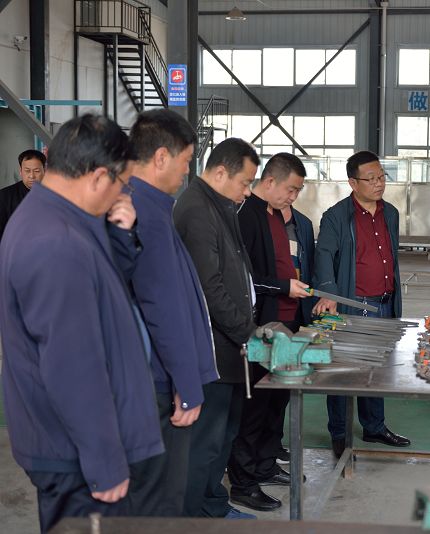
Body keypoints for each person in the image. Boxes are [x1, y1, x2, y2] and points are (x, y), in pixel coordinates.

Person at [0, 114, 163, 533]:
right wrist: (105, 463)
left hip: (71, 448)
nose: (124, 193)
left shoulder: (61, 218)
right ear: (97, 177)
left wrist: (121, 234)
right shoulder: (55, 242)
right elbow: (73, 368)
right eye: (122, 182)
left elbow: (103, 285)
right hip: (75, 458)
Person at [122, 109, 219, 516]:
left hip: (149, 379)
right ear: (161, 157)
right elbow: (161, 306)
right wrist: (187, 382)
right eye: (186, 161)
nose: (186, 172)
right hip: (158, 385)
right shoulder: (142, 212)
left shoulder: (147, 206)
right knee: (160, 500)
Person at [174, 138, 259, 520]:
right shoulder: (196, 209)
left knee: (223, 435)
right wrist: (247, 332)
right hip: (211, 350)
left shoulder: (219, 205)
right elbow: (209, 289)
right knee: (205, 441)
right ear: (221, 172)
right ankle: (195, 516)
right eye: (245, 182)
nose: (248, 191)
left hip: (229, 348)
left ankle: (212, 505)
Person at [312, 150, 411, 458]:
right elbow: (324, 255)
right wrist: (328, 292)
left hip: (384, 304)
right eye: (371, 179)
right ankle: (339, 433)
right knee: (342, 372)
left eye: (382, 176)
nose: (379, 183)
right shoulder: (336, 217)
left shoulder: (390, 213)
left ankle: (374, 426)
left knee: (376, 369)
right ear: (353, 183)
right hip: (354, 306)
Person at [228, 152, 310, 511]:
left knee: (276, 401)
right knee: (254, 407)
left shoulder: (274, 214)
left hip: (286, 320)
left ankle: (264, 464)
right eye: (291, 189)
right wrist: (283, 286)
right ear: (270, 180)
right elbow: (245, 279)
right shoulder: (247, 215)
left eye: (298, 191)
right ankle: (243, 482)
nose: (293, 197)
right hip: (262, 324)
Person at [282, 204, 317, 327]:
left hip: (297, 310)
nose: (292, 196)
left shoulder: (304, 224)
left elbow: (310, 270)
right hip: (268, 307)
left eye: (296, 193)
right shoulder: (257, 218)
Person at [0, 149, 46, 238]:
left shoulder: (55, 195)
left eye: (36, 171)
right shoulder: (4, 196)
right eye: (27, 171)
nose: (32, 176)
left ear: (44, 170)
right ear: (21, 171)